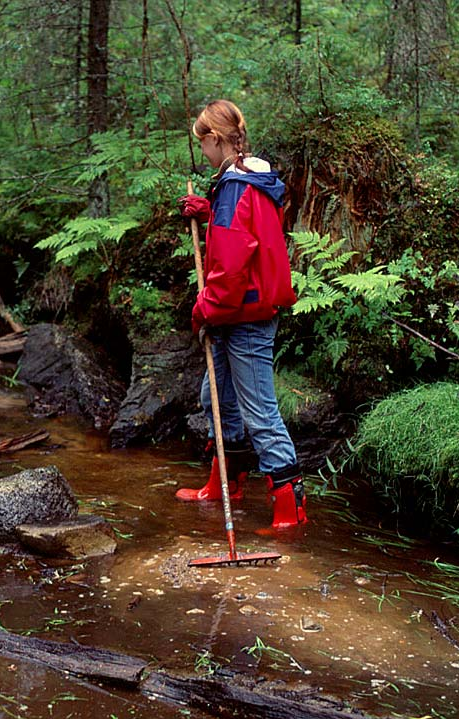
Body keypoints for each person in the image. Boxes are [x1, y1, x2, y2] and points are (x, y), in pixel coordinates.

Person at [174, 99, 307, 530]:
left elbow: (231, 268)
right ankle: (223, 485)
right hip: (241, 311)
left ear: (216, 139)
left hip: (243, 314)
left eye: (204, 145)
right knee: (218, 399)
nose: (204, 154)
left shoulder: (236, 185)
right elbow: (248, 233)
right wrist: (208, 212)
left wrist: (203, 310)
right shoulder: (251, 178)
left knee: (260, 413)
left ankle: (290, 510)